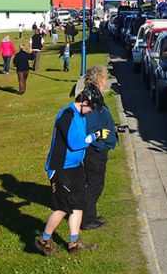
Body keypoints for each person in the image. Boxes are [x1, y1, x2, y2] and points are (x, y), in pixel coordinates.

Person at [35, 84, 108, 256]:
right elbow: (75, 143)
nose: (91, 111)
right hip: (61, 168)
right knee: (62, 207)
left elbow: (82, 138)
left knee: (78, 204)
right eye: (90, 107)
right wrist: (96, 136)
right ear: (83, 101)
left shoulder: (81, 115)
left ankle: (74, 242)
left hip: (75, 167)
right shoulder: (67, 116)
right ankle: (44, 240)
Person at [80, 66, 118, 230]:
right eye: (104, 78)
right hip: (95, 151)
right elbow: (89, 127)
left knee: (95, 184)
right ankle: (87, 220)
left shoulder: (94, 94)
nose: (106, 81)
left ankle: (90, 215)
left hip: (99, 148)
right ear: (99, 79)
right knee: (94, 185)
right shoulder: (91, 97)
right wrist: (101, 145)